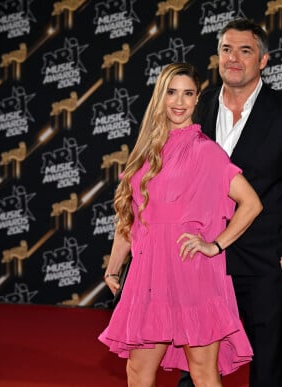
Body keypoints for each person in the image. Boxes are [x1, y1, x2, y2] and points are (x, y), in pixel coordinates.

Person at [178, 19, 282, 387]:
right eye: (227, 49)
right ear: (217, 57)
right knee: (193, 367)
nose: (234, 58)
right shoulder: (199, 107)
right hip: (199, 262)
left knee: (265, 370)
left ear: (263, 60)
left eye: (245, 50)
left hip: (263, 263)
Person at [98, 62, 263, 387]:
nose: (179, 101)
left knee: (202, 373)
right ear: (160, 96)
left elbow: (252, 204)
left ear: (197, 99)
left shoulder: (207, 152)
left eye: (188, 93)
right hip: (148, 278)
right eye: (172, 92)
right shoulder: (145, 153)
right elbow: (131, 218)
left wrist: (215, 245)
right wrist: (114, 266)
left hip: (192, 276)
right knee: (137, 371)